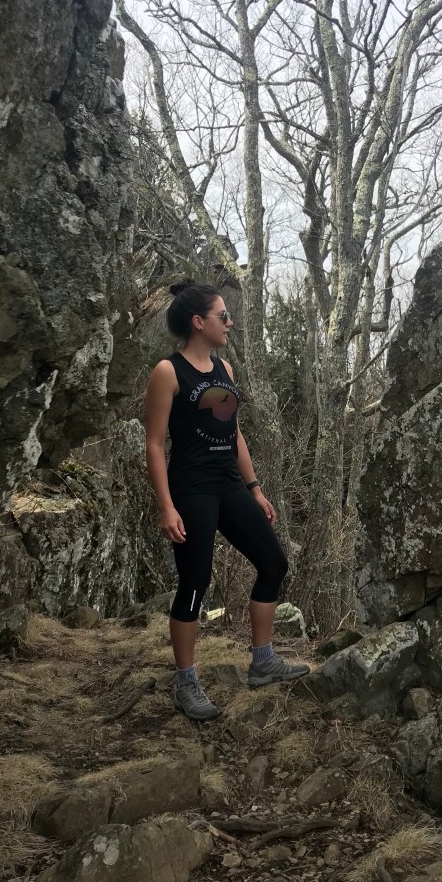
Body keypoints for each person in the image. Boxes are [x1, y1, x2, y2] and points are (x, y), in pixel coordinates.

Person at [144, 280, 310, 721]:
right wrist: (166, 506)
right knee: (195, 583)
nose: (229, 322)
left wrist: (255, 488)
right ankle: (186, 683)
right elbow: (155, 444)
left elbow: (234, 433)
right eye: (223, 316)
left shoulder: (225, 369)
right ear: (199, 322)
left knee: (273, 563)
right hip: (191, 489)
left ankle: (263, 661)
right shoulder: (168, 372)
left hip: (229, 485)